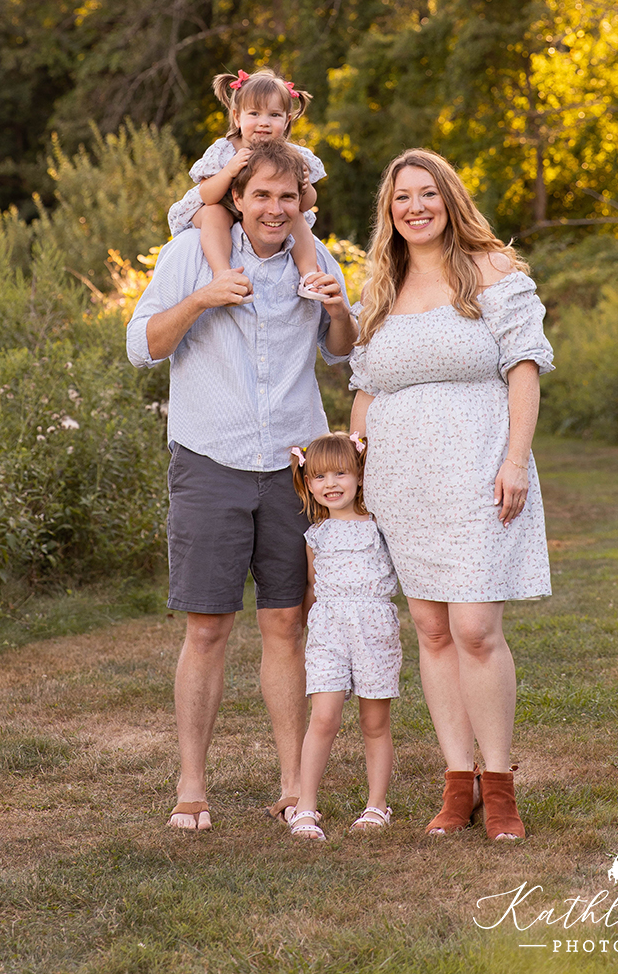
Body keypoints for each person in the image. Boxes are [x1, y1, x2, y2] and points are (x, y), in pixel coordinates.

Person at [126, 138, 357, 831]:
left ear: (301, 202)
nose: (274, 209)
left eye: (287, 196)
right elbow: (142, 346)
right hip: (210, 459)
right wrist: (202, 298)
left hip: (291, 467)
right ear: (236, 197)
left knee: (287, 622)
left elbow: (342, 351)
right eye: (261, 195)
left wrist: (338, 310)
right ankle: (191, 786)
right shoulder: (189, 255)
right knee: (207, 627)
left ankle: (293, 786)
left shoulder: (316, 261)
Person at [348, 149, 554, 841]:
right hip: (401, 483)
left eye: (427, 193)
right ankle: (456, 781)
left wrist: (515, 460)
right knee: (431, 630)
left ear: (449, 200)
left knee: (474, 629)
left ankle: (499, 787)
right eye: (402, 197)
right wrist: (354, 472)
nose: (415, 207)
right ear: (389, 210)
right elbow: (365, 390)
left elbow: (524, 368)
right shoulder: (381, 288)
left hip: (476, 470)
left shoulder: (492, 272)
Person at [286, 431, 402, 841]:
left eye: (340, 473)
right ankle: (305, 806)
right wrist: (308, 630)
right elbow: (313, 586)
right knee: (324, 718)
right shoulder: (315, 535)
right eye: (319, 477)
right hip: (328, 631)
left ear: (359, 475)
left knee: (374, 721)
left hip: (374, 629)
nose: (330, 484)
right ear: (307, 482)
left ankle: (377, 804)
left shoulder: (379, 527)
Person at [167, 67, 331, 299]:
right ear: (237, 117)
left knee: (298, 218)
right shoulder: (225, 150)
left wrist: (306, 185)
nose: (264, 122)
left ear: (287, 120)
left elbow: (305, 204)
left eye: (274, 115)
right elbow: (207, 195)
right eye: (254, 113)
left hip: (261, 214)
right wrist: (228, 171)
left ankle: (309, 276)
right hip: (221, 207)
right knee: (215, 212)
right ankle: (222, 273)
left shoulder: (292, 156)